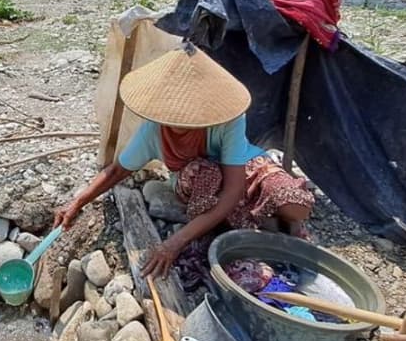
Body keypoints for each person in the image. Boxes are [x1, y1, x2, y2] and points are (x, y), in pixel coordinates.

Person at [54, 45, 314, 278]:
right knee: (204, 173)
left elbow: (234, 189)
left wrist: (175, 242)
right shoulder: (153, 131)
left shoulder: (228, 118)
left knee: (294, 205)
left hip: (243, 166)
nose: (180, 122)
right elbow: (117, 171)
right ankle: (242, 221)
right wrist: (78, 201)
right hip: (199, 181)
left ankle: (272, 221)